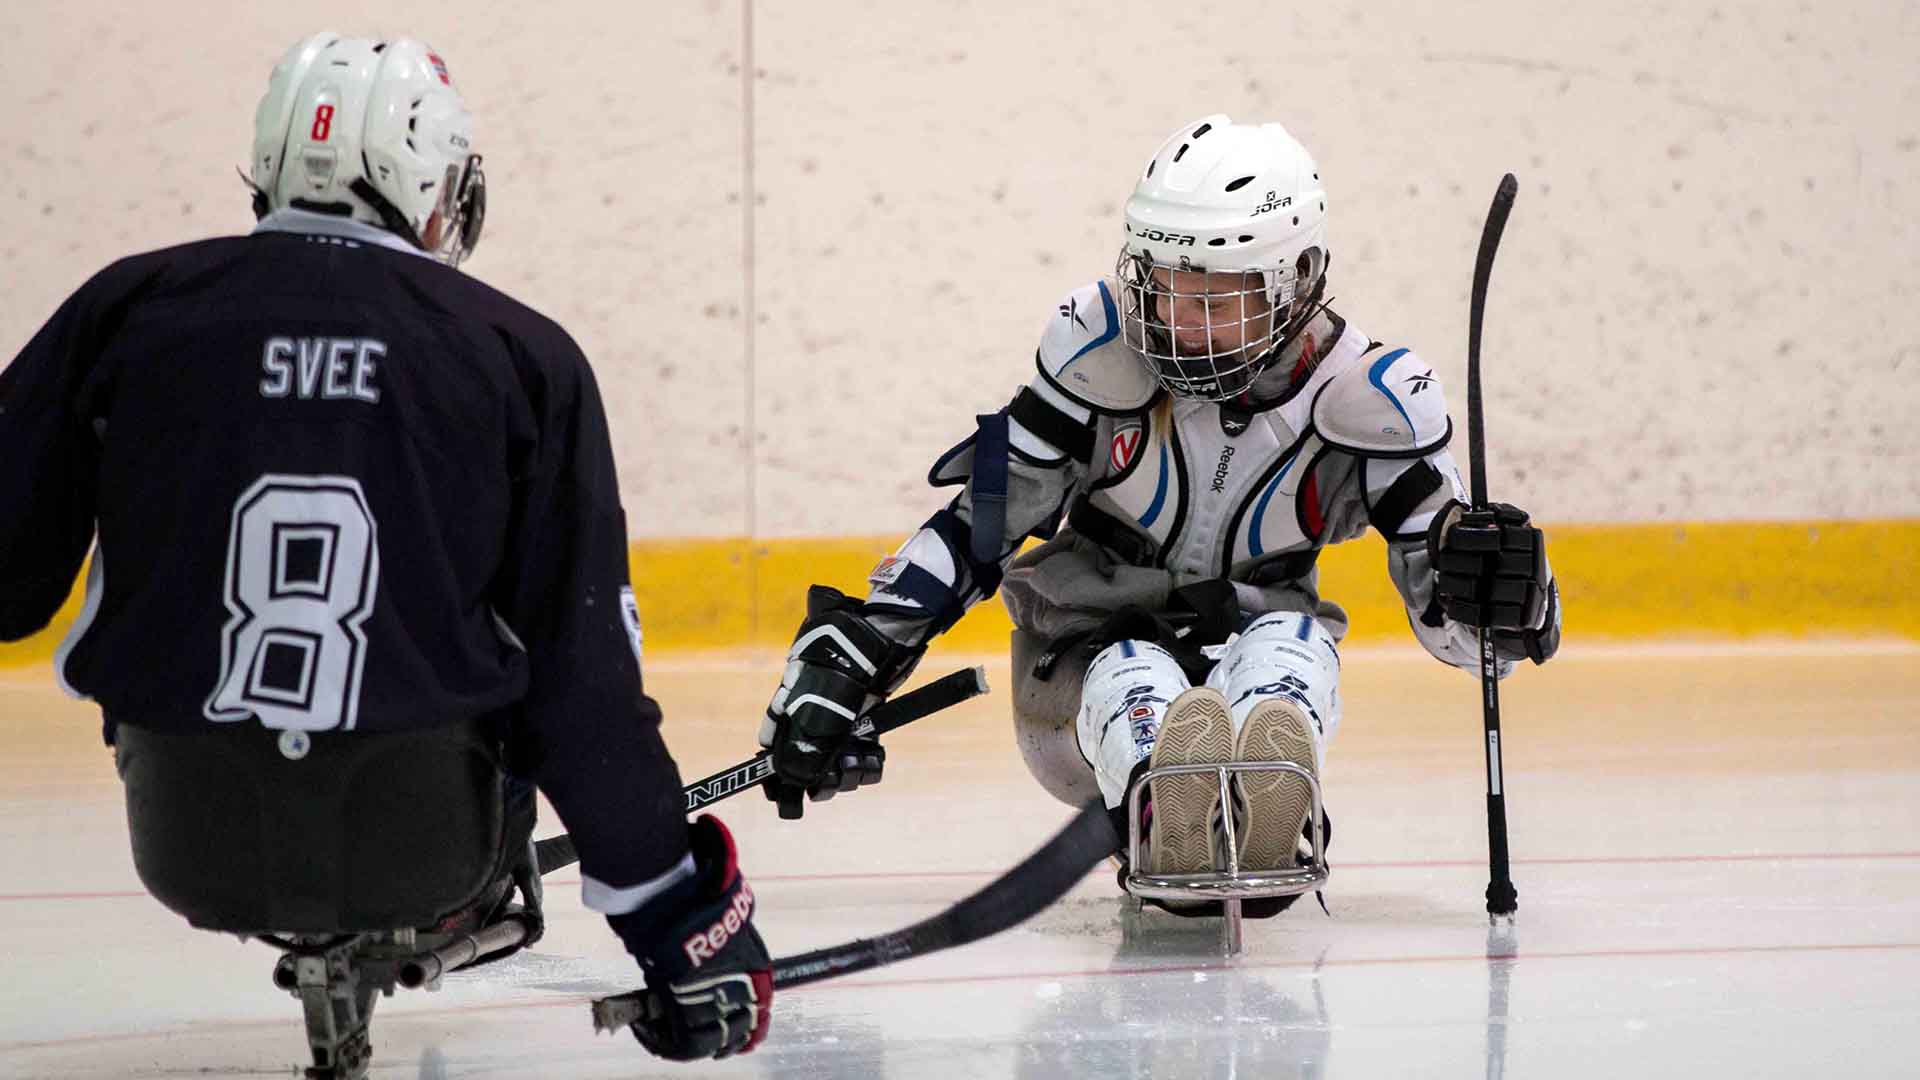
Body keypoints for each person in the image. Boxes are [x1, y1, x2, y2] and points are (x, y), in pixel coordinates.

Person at [0, 32, 768, 1061]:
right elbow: (582, 684)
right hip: (427, 842)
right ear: (436, 186)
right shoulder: (519, 355)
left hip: (189, 834)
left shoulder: (126, 313)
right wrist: (682, 923)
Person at [759, 115, 1561, 912]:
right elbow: (981, 527)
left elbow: (1465, 640)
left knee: (1289, 652)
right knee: (1130, 675)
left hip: (1255, 626)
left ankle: (1267, 795)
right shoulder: (1096, 351)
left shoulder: (1372, 401)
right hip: (1078, 674)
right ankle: (1162, 799)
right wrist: (852, 659)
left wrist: (1505, 595)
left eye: (1218, 302)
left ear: (1301, 274)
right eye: (1168, 292)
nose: (1181, 324)